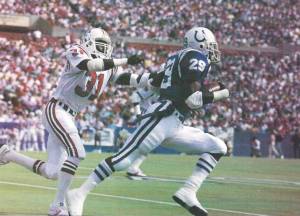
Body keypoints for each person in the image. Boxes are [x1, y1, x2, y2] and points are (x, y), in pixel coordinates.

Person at [66, 27, 230, 216]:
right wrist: (222, 93)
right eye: (209, 46)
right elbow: (193, 99)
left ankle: (189, 191)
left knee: (217, 146)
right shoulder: (196, 57)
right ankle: (79, 194)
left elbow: (153, 81)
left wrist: (120, 76)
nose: (212, 50)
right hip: (162, 118)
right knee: (123, 160)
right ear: (199, 43)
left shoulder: (176, 58)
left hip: (175, 123)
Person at [0, 27, 144, 215]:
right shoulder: (76, 51)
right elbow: (90, 65)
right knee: (77, 153)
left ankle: (8, 154)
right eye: (100, 44)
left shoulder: (109, 66)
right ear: (89, 42)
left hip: (69, 115)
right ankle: (58, 206)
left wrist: (154, 80)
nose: (104, 48)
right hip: (57, 109)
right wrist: (125, 60)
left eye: (106, 46)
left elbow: (126, 78)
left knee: (53, 172)